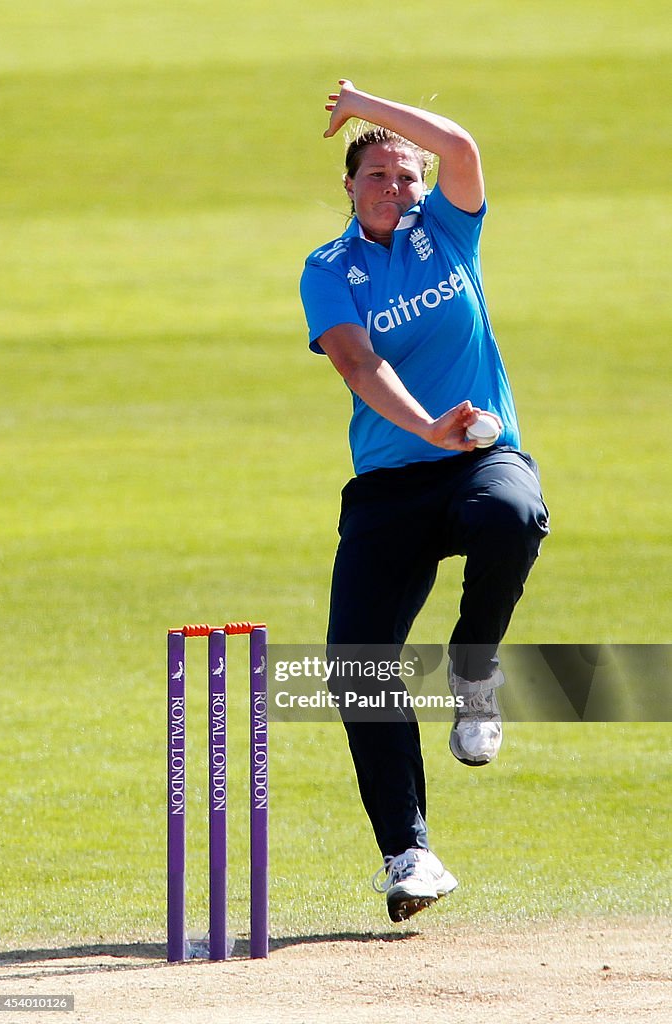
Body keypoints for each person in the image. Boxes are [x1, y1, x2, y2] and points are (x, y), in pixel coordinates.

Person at [299, 80, 550, 923]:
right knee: (357, 665)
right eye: (378, 175)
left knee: (510, 514)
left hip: (481, 457)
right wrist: (424, 428)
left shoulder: (445, 229)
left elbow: (462, 148)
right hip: (390, 481)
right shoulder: (327, 269)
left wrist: (370, 103)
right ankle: (409, 854)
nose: (397, 190)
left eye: (407, 175)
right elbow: (355, 363)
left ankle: (473, 669)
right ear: (349, 185)